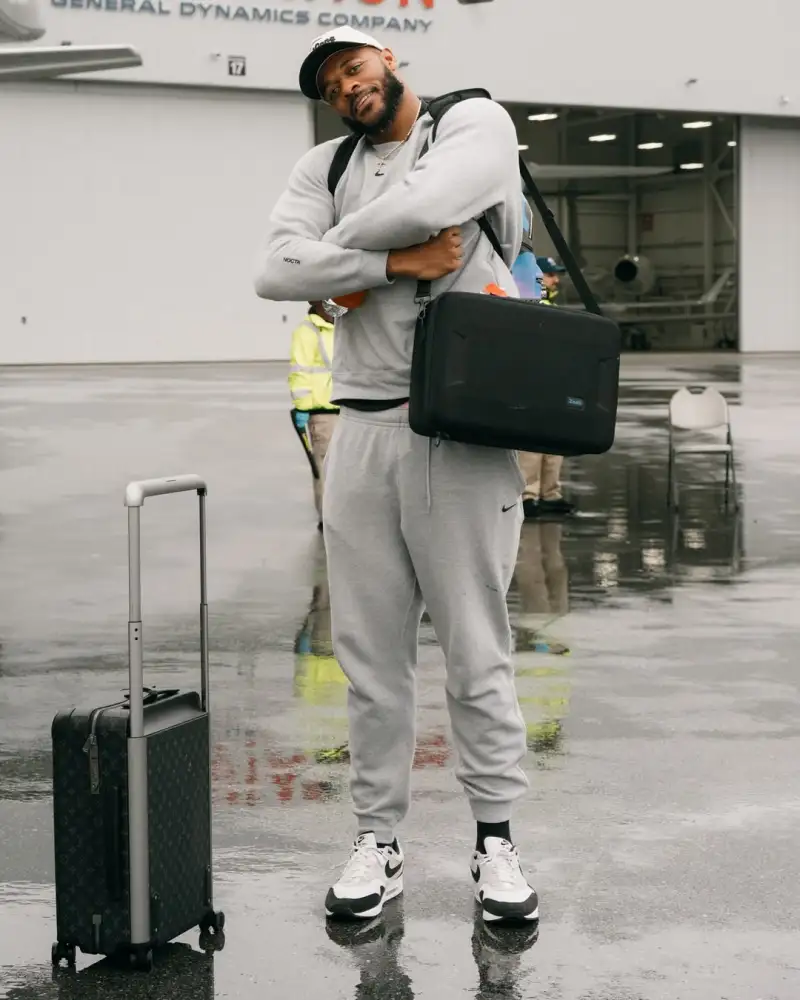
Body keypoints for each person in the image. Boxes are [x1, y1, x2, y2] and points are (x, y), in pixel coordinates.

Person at [254, 26, 538, 925]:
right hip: (363, 431)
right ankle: (378, 840)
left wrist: (333, 262)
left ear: (386, 59)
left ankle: (496, 841)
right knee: (370, 660)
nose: (346, 86)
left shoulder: (474, 123)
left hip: (463, 432)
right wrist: (392, 264)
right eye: (330, 85)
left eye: (353, 66)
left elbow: (433, 202)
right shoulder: (324, 166)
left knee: (476, 652)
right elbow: (273, 270)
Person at [517, 255, 574, 518]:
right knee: (532, 441)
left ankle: (550, 493)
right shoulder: (527, 302)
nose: (556, 280)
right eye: (551, 275)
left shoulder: (551, 304)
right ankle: (528, 495)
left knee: (554, 440)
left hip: (554, 378)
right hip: (534, 378)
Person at [288, 301, 339, 530]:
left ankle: (345, 516)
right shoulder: (307, 331)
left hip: (349, 410)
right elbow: (300, 372)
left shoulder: (344, 327)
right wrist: (302, 407)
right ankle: (327, 520)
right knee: (325, 469)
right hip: (323, 414)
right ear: (316, 303)